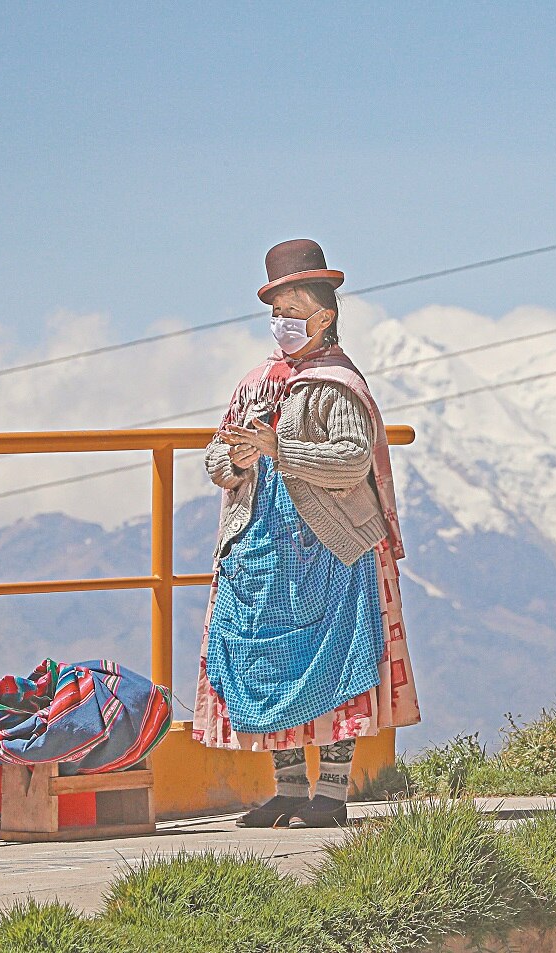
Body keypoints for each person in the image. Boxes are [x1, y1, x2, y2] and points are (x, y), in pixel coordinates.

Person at [192, 238, 420, 828]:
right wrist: (237, 462)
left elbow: (348, 461)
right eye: (276, 312)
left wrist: (278, 448)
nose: (283, 325)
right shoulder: (255, 384)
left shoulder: (336, 384)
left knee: (334, 661)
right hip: (262, 546)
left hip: (331, 547)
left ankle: (333, 793)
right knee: (267, 658)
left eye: (294, 312)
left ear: (326, 315)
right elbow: (217, 458)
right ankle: (290, 789)